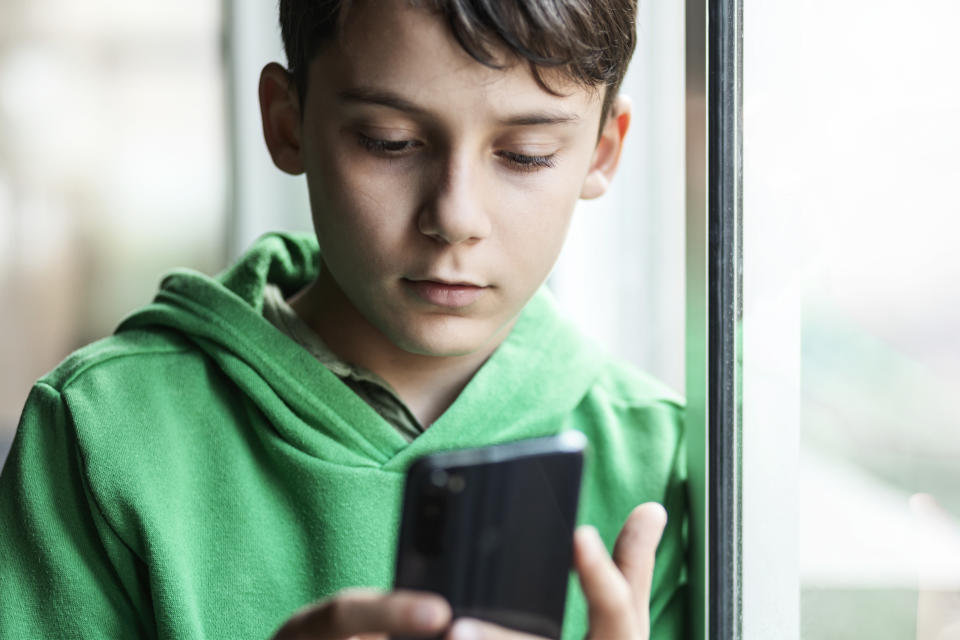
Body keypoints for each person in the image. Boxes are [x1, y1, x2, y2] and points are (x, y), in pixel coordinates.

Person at [0, 1, 687, 638]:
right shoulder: (104, 430)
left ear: (603, 151)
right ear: (286, 122)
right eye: (390, 141)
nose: (455, 217)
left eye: (526, 154)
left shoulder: (667, 462)